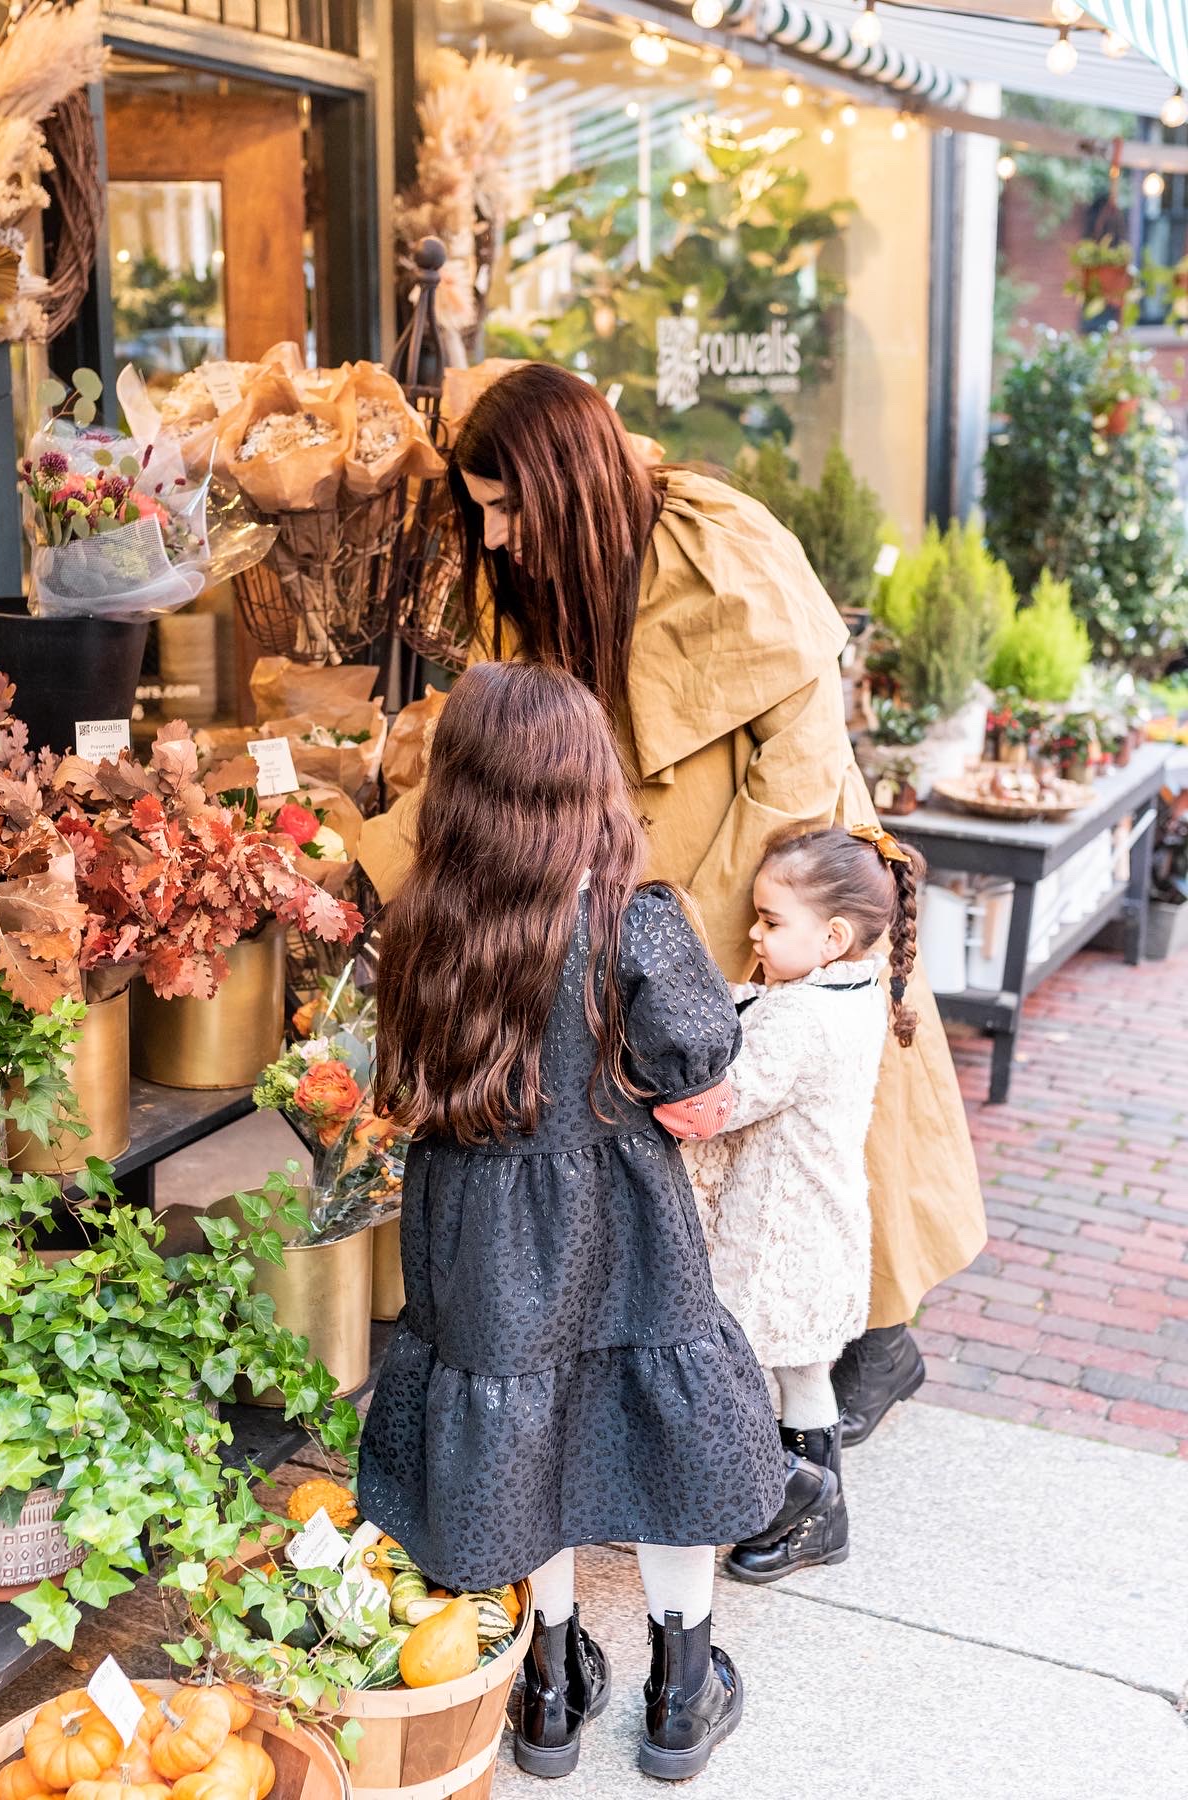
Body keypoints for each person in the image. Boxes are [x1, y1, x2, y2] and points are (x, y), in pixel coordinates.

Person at [359, 362, 985, 1443]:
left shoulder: (721, 542)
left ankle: (864, 1350)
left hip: (776, 891)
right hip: (644, 886)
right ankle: (721, 1373)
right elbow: (502, 753)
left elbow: (796, 777)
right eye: (484, 512)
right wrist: (375, 861)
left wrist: (722, 951)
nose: (497, 539)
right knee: (702, 1156)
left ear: (564, 485)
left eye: (508, 508)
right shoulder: (544, 585)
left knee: (820, 1145)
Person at [358, 661, 788, 1782]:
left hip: (477, 1222)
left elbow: (399, 1075)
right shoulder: (629, 920)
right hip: (619, 1214)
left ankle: (548, 1693)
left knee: (518, 1442)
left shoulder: (427, 920)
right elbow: (697, 1058)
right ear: (587, 781)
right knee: (663, 1436)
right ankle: (680, 1699)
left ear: (459, 788)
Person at [684, 822, 927, 1585]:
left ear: (832, 936)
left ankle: (795, 1494)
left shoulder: (800, 1018)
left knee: (732, 1370)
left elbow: (733, 1096)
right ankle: (819, 1519)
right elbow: (755, 1007)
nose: (753, 933)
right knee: (804, 1378)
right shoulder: (849, 993)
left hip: (777, 1240)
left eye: (769, 921)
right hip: (824, 1229)